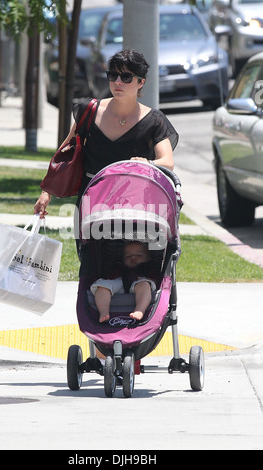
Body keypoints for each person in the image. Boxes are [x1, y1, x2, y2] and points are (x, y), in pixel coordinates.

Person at [34, 49, 179, 219]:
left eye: (126, 77)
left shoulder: (154, 120)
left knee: (131, 246)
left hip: (134, 201)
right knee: (90, 246)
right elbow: (64, 154)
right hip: (92, 198)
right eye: (113, 75)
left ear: (141, 82)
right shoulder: (89, 111)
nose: (118, 82)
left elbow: (167, 162)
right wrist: (46, 193)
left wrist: (146, 163)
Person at [90, 241, 158, 323]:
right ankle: (103, 311)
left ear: (148, 258)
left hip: (139, 283)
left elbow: (156, 280)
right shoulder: (120, 266)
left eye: (139, 255)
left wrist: (150, 279)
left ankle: (140, 310)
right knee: (102, 286)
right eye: (128, 256)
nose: (133, 257)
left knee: (145, 284)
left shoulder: (149, 267)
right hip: (120, 283)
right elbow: (110, 276)